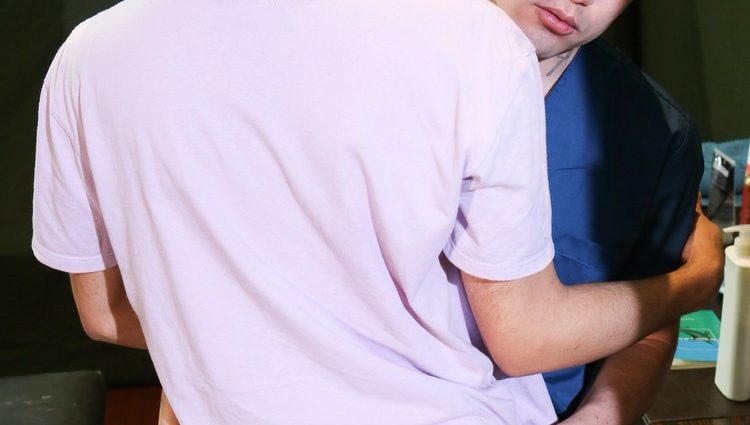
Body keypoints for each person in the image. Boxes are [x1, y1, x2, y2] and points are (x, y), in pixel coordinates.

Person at [33, 1, 721, 424]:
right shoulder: (467, 48)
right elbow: (525, 334)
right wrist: (695, 281)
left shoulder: (87, 58)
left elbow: (106, 312)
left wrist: (228, 351)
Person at [485, 0, 715, 423]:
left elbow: (648, 331)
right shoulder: (378, 56)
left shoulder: (656, 137)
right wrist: (694, 280)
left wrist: (597, 416)